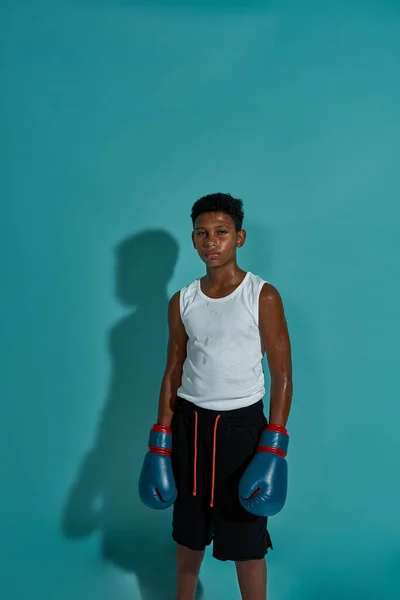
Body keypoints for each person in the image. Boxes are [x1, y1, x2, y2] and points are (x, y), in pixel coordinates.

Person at [139, 193, 293, 600]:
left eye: (221, 233)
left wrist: (274, 444)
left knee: (247, 539)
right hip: (190, 427)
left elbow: (282, 375)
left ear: (239, 238)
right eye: (202, 234)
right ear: (193, 241)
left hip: (242, 431)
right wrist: (160, 441)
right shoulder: (183, 301)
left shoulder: (262, 295)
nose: (211, 242)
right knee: (188, 536)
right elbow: (172, 372)